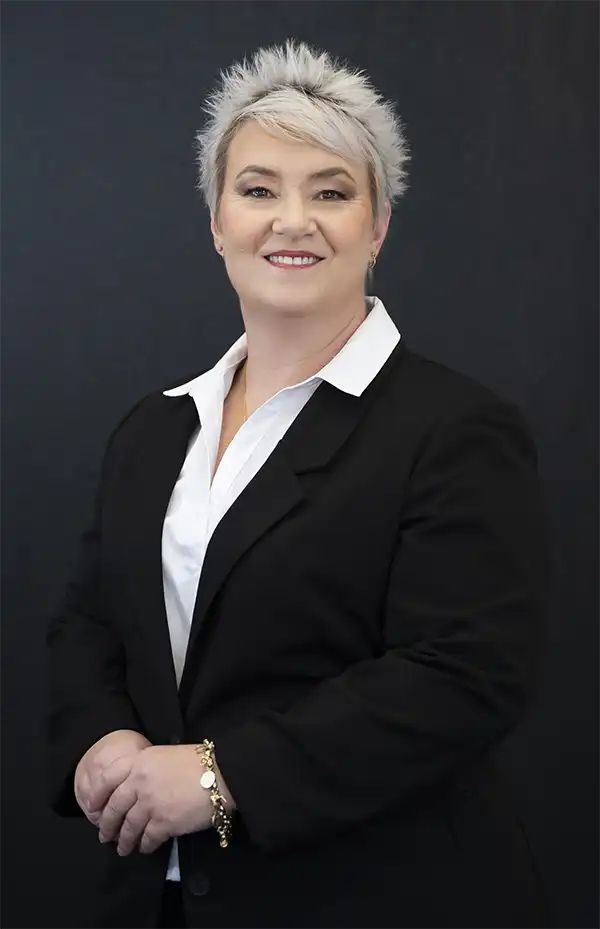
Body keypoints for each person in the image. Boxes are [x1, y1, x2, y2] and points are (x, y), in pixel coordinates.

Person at [47, 39, 554, 929]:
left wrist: (219, 777)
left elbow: (463, 676)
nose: (293, 219)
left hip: (377, 897)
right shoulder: (155, 427)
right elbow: (90, 622)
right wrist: (101, 740)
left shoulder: (455, 428)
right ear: (216, 221)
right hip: (157, 900)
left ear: (378, 224)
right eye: (258, 189)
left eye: (330, 191)